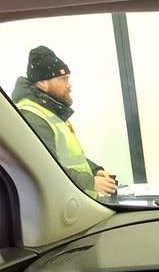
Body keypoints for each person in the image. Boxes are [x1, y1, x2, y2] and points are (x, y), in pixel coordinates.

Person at [11, 46, 116, 200]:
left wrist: (95, 171)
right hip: (61, 203)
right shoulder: (32, 116)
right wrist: (90, 182)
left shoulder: (50, 112)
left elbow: (71, 159)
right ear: (43, 83)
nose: (69, 85)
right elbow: (45, 168)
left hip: (71, 200)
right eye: (63, 79)